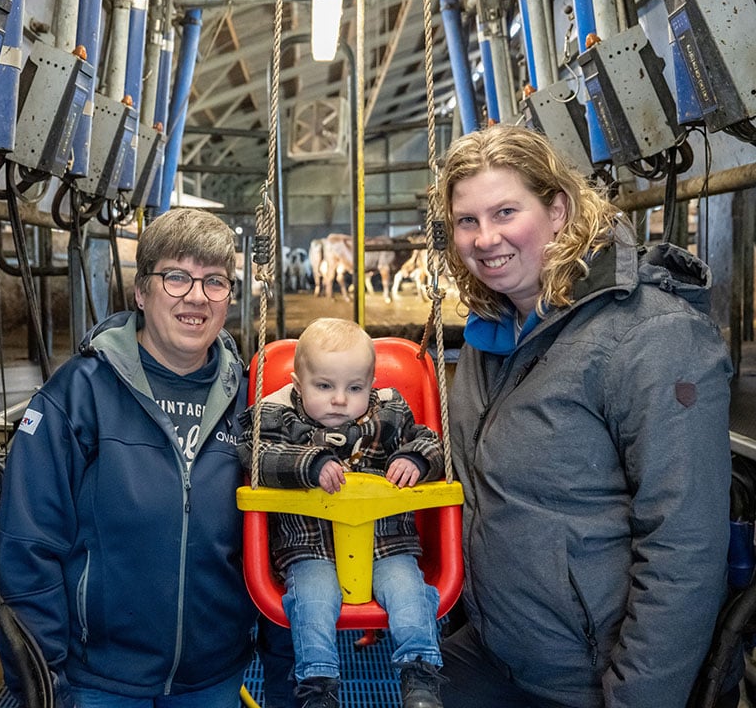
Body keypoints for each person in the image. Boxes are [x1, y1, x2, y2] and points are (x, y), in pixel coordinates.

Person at [435, 124, 734, 708]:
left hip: (593, 681)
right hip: (500, 650)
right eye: (467, 221)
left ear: (558, 209)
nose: (485, 237)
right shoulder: (489, 335)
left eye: (504, 212)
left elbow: (685, 549)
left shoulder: (653, 336)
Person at [0, 208, 258, 707]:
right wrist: (42, 681)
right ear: (141, 291)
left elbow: (279, 538)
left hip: (214, 675)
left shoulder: (251, 400)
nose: (196, 297)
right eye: (176, 277)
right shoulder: (77, 396)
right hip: (99, 680)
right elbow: (28, 545)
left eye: (215, 282)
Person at [238, 317, 447, 708]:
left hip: (386, 545)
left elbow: (434, 444)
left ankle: (420, 674)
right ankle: (318, 684)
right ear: (299, 385)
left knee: (410, 593)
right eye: (324, 386)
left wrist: (416, 460)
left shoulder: (388, 414)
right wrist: (310, 464)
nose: (340, 399)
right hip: (309, 549)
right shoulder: (279, 417)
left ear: (371, 385)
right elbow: (256, 456)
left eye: (355, 388)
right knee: (312, 601)